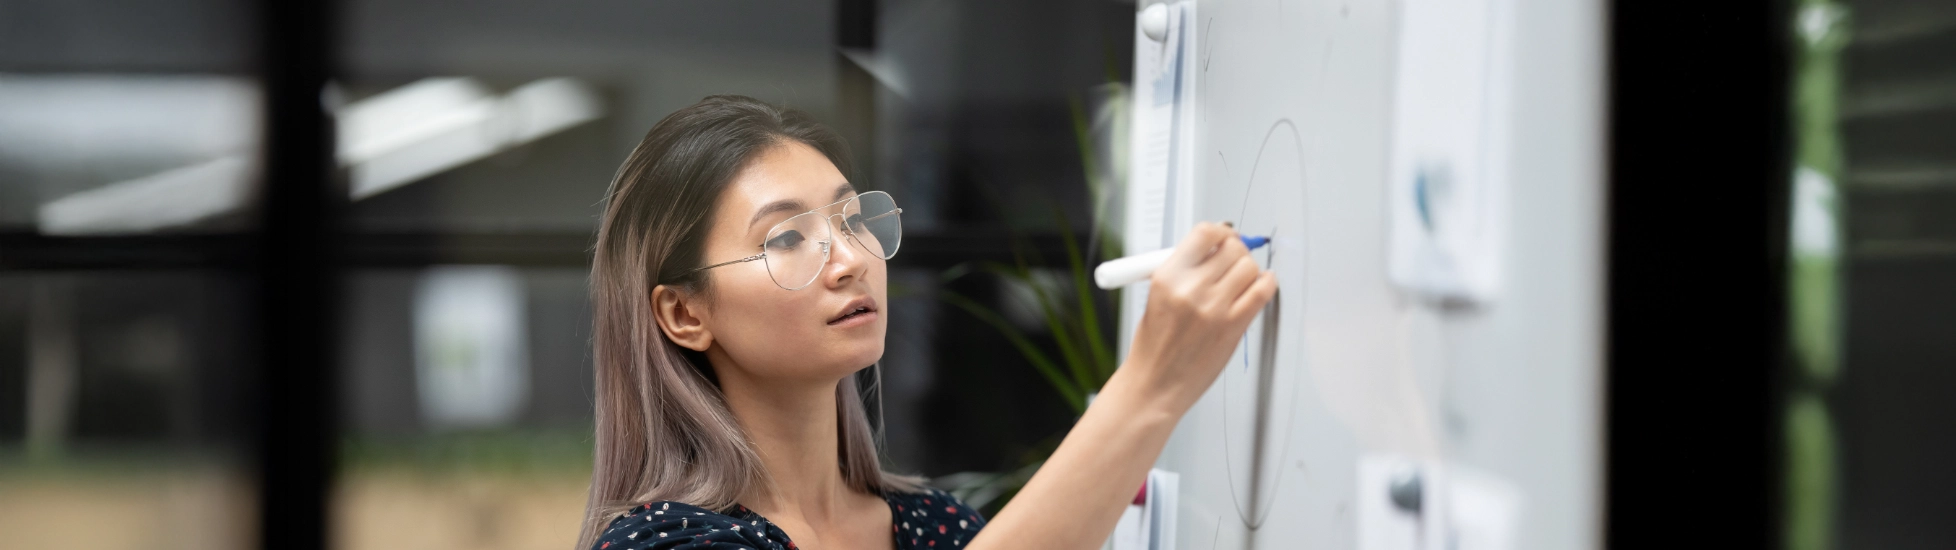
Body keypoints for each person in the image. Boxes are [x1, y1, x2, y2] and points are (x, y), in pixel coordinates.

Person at [579, 95, 1276, 550]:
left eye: (853, 219)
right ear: (683, 312)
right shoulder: (660, 543)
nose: (851, 258)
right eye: (787, 238)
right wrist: (1150, 387)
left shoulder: (933, 526)